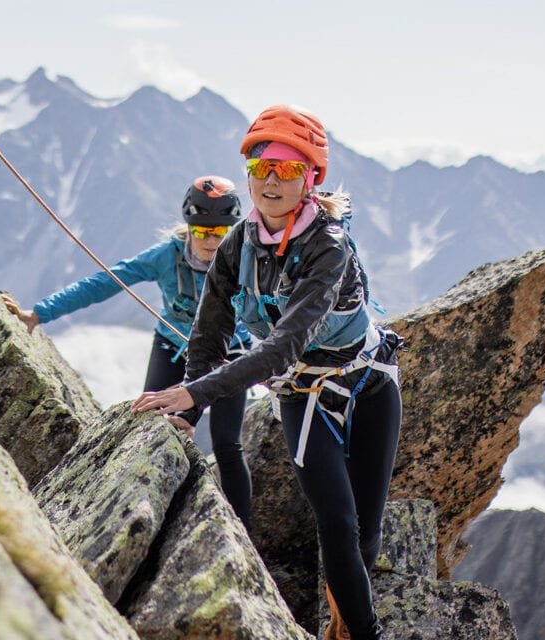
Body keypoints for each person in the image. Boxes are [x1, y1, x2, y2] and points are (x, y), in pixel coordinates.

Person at [131, 105, 402, 640]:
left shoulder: (330, 246)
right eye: (260, 169)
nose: (271, 181)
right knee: (339, 527)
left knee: (367, 533)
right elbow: (209, 335)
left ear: (310, 177)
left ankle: (343, 615)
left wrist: (190, 393)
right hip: (304, 398)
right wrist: (193, 410)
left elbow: (282, 347)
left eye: (286, 169)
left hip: (369, 384)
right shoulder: (238, 245)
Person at [2, 176, 257, 527]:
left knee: (227, 444)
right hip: (174, 346)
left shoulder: (246, 258)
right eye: (202, 232)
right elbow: (104, 282)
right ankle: (146, 513)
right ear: (189, 228)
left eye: (221, 233)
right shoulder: (166, 256)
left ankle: (243, 530)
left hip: (231, 353)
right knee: (150, 422)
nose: (211, 241)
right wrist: (39, 313)